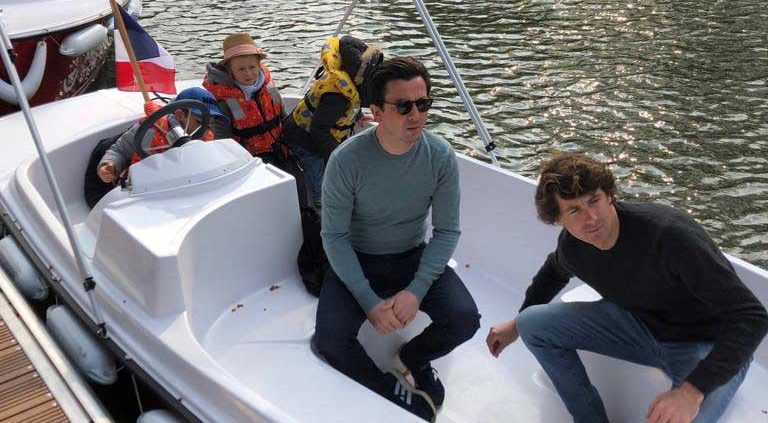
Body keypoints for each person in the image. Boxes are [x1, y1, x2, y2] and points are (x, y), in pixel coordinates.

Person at [486, 153, 768, 423]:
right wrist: (515, 324)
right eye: (574, 210)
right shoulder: (573, 246)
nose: (591, 217)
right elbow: (553, 272)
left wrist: (691, 392)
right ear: (558, 220)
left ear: (610, 195)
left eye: (594, 200)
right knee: (531, 325)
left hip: (703, 342)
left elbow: (752, 317)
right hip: (636, 325)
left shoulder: (669, 236)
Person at [315, 57, 480, 422]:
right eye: (403, 106)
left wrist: (417, 289)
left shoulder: (440, 156)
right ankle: (389, 392)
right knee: (330, 340)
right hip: (357, 258)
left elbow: (448, 230)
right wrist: (369, 301)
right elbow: (335, 237)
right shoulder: (346, 161)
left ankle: (414, 356)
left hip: (410, 257)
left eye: (423, 104)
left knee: (466, 318)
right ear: (375, 110)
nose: (416, 115)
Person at [282, 35, 383, 209]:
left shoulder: (346, 85)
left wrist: (357, 115)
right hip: (303, 140)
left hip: (313, 133)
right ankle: (317, 208)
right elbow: (318, 130)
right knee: (318, 175)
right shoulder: (337, 96)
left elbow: (354, 99)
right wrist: (337, 155)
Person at [95, 87, 227, 185]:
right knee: (124, 190)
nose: (205, 128)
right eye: (200, 122)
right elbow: (120, 150)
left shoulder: (206, 137)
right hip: (140, 184)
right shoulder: (150, 130)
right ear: (180, 115)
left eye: (210, 124)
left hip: (181, 185)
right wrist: (110, 165)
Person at [203, 32, 285, 163]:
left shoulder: (269, 86)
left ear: (259, 65)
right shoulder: (224, 100)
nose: (248, 73)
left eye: (252, 67)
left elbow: (283, 115)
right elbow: (223, 140)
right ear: (230, 71)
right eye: (241, 69)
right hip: (248, 159)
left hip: (280, 148)